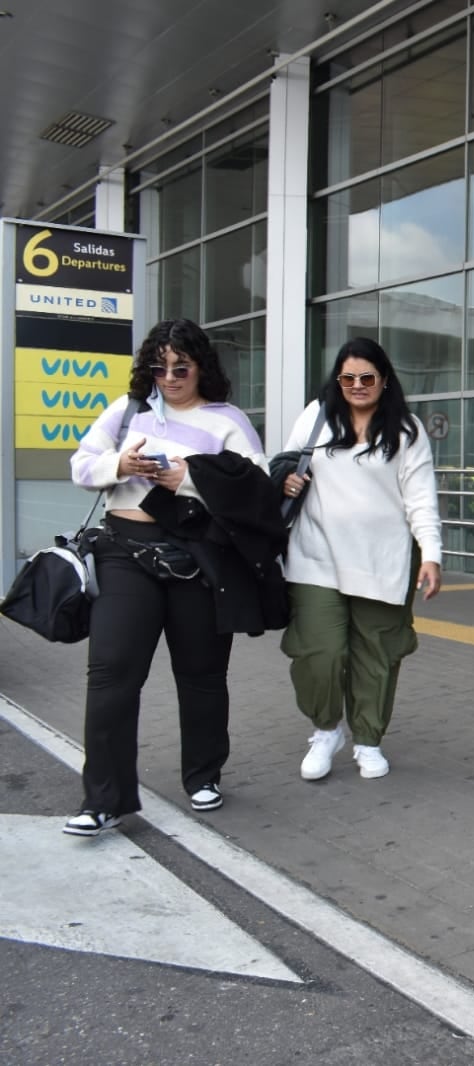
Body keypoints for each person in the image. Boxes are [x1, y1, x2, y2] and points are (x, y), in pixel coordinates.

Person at [64, 319, 282, 836]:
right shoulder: (128, 410)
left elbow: (255, 492)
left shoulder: (228, 420)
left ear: (200, 365)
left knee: (202, 675)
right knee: (112, 673)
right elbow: (80, 466)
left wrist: (189, 479)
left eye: (179, 367)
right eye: (158, 368)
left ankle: (204, 775)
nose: (169, 377)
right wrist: (122, 463)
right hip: (123, 552)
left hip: (197, 558)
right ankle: (104, 799)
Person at [277, 337, 443, 782]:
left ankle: (368, 738)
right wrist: (287, 483)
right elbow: (285, 466)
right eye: (347, 377)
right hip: (315, 557)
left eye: (366, 377)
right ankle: (326, 729)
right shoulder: (316, 416)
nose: (357, 385)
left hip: (383, 561)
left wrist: (431, 554)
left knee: (378, 655)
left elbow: (421, 498)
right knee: (319, 652)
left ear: (384, 380)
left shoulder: (406, 429)